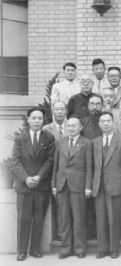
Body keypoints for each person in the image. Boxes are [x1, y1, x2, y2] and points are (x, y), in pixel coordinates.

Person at [12, 107, 55, 261]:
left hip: (41, 185)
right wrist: (26, 178)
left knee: (38, 218)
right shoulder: (20, 139)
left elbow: (50, 160)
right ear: (28, 120)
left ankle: (35, 249)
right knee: (24, 218)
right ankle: (21, 250)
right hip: (24, 186)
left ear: (43, 120)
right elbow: (16, 161)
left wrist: (39, 177)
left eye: (39, 118)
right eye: (34, 118)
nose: (37, 121)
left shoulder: (48, 138)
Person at [51, 116, 93, 259]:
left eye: (74, 126)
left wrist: (88, 186)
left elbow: (89, 167)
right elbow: (56, 166)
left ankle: (79, 248)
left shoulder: (86, 143)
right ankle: (65, 248)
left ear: (80, 127)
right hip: (62, 185)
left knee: (79, 218)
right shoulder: (61, 142)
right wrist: (54, 185)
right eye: (69, 126)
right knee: (64, 219)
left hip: (79, 185)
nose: (71, 128)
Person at [92, 112, 121, 259]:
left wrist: (117, 178)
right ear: (99, 124)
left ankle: (114, 248)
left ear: (113, 123)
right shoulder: (94, 142)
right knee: (100, 218)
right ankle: (102, 248)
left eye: (108, 121)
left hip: (115, 184)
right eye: (103, 121)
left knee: (114, 218)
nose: (106, 123)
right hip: (99, 186)